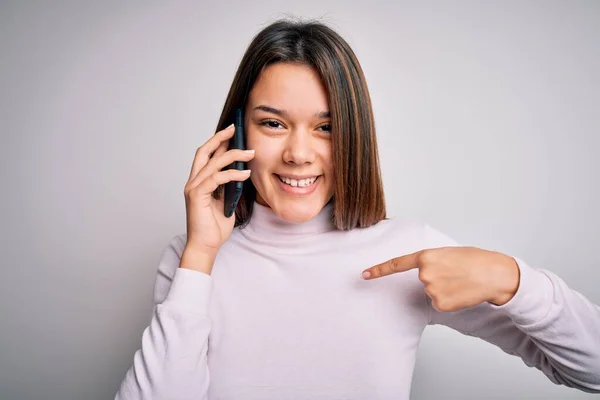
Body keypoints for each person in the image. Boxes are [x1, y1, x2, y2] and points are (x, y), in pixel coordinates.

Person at [115, 18, 600, 399]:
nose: (299, 154)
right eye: (273, 124)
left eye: (325, 128)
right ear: (237, 134)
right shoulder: (190, 259)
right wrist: (200, 255)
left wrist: (513, 280)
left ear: (355, 137)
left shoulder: (405, 253)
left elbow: (592, 370)